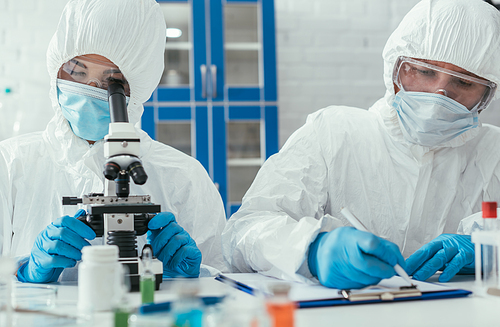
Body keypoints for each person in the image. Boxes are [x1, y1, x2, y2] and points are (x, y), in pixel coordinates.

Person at [222, 0, 500, 289]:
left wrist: (491, 249)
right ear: (395, 68)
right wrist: (312, 249)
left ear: (487, 93)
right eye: (424, 71)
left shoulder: (494, 152)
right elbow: (244, 231)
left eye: (464, 83)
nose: (438, 96)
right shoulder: (332, 132)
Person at [0, 0, 227, 283]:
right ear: (56, 70)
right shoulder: (10, 164)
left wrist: (192, 275)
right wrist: (25, 271)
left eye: (112, 83)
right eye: (77, 72)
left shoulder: (185, 176)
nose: (90, 90)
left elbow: (222, 285)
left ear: (138, 89)